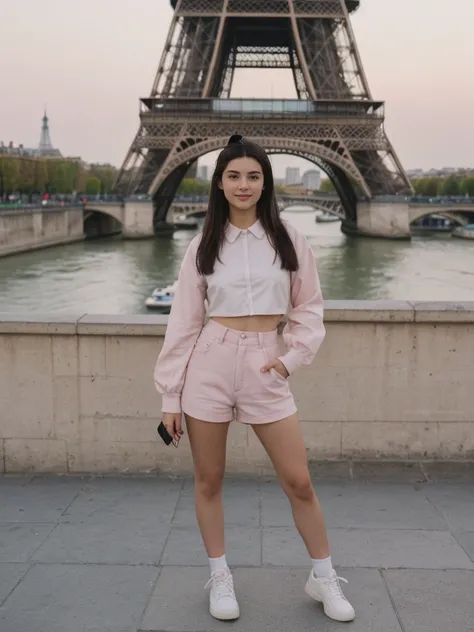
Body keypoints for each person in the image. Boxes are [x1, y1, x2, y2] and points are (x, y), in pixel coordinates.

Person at [154, 135, 355, 623]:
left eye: (254, 176)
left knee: (299, 481)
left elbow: (308, 307)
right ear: (219, 184)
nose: (244, 184)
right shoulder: (202, 245)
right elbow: (183, 322)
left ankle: (323, 575)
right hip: (211, 362)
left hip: (267, 362)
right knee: (209, 479)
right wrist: (170, 395)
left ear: (265, 183)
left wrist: (292, 358)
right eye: (234, 176)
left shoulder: (289, 238)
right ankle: (220, 574)